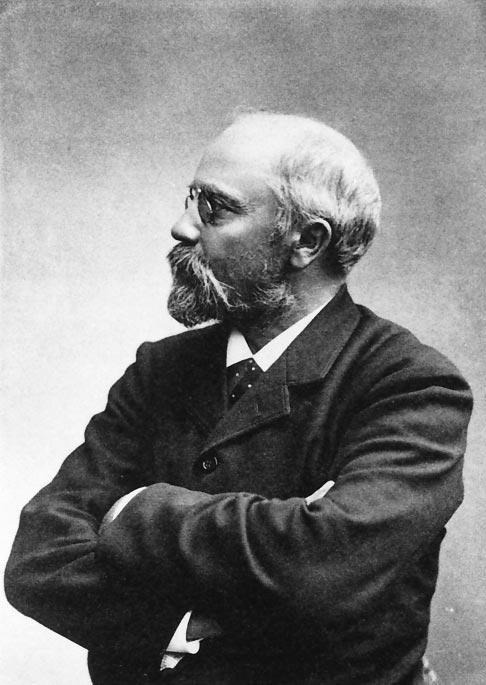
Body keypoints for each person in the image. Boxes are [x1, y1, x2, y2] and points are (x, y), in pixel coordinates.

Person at [5, 112, 472, 685]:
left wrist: (136, 509)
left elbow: (321, 566)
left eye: (215, 208)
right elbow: (38, 558)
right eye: (190, 199)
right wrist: (180, 624)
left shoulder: (409, 384)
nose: (181, 227)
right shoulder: (161, 369)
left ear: (306, 242)